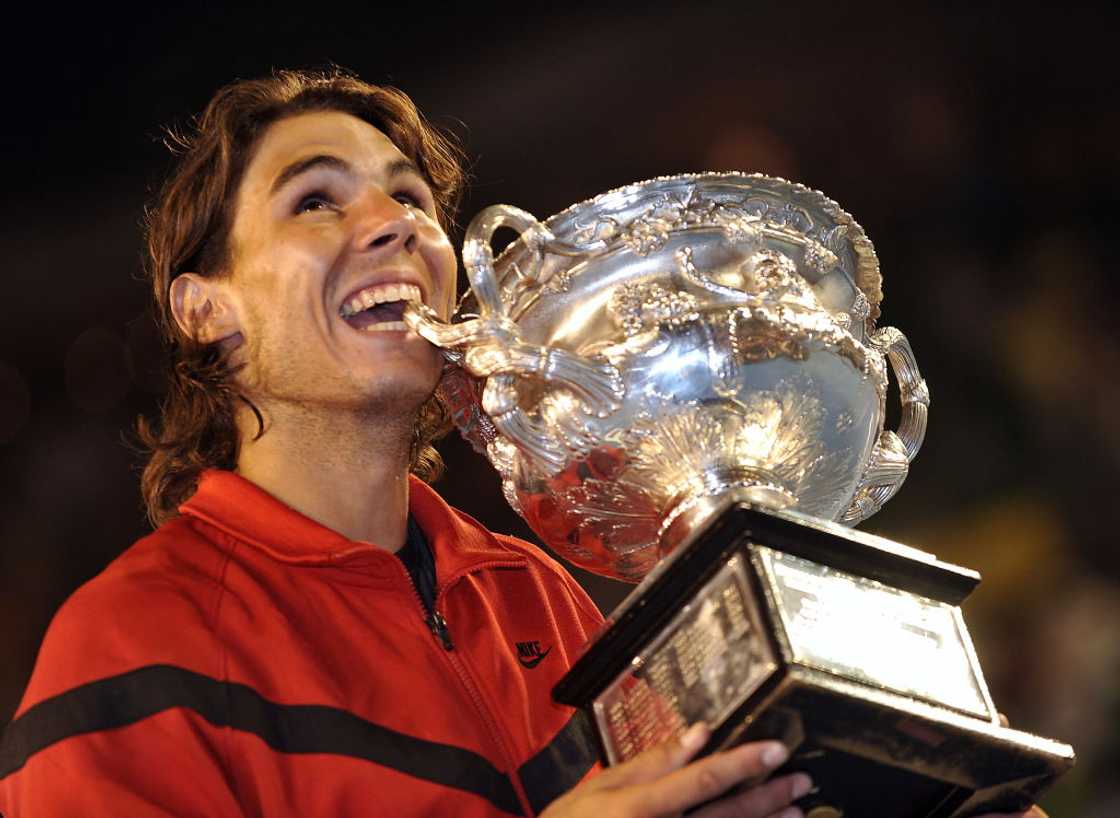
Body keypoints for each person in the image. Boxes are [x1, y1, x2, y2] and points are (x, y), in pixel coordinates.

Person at [0, 69, 1045, 818]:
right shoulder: (139, 638)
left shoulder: (535, 595)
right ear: (203, 308)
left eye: (410, 197)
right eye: (315, 200)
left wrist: (925, 772)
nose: (392, 222)